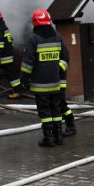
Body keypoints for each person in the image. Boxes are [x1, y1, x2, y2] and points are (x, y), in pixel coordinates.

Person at [19, 9, 70, 147]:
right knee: (56, 110)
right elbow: (66, 58)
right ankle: (58, 137)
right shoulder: (58, 37)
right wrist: (58, 68)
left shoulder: (33, 39)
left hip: (40, 85)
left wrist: (23, 80)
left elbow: (27, 63)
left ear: (35, 22)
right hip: (55, 84)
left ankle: (48, 138)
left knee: (45, 111)